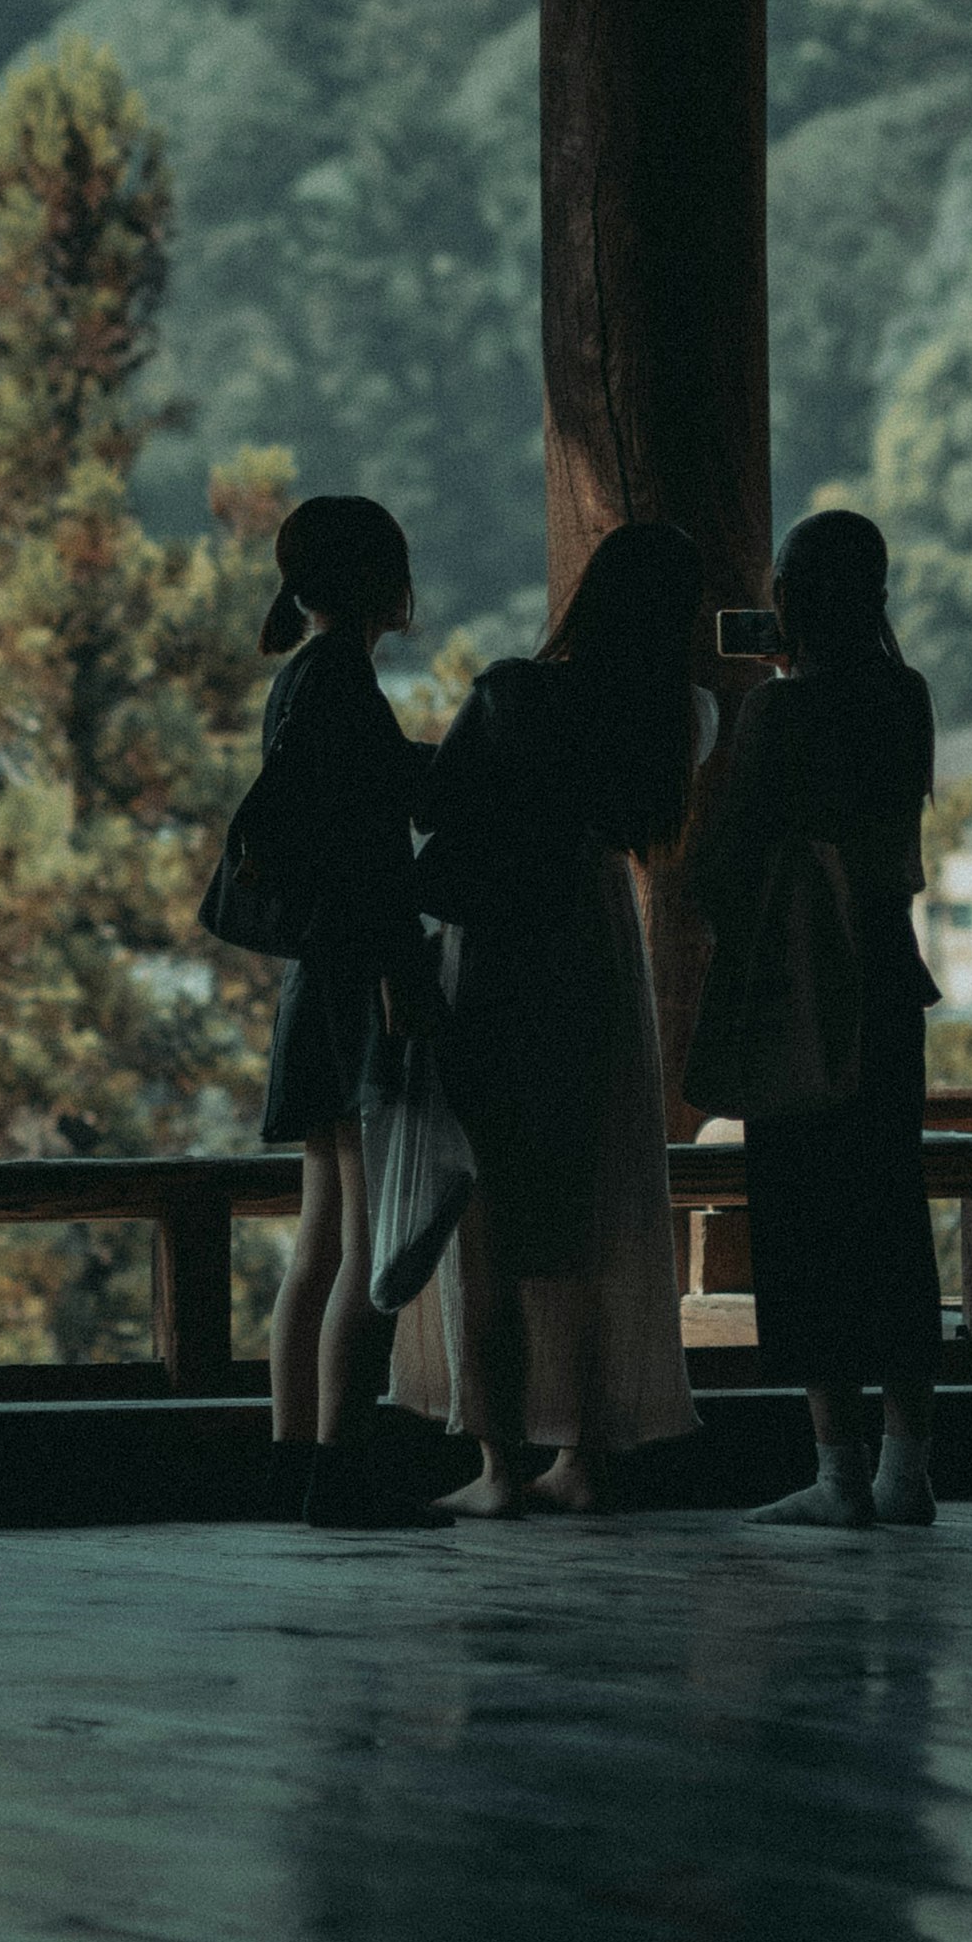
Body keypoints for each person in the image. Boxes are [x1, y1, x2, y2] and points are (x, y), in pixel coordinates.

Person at [391, 516, 706, 1516]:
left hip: (503, 955)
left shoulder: (512, 693)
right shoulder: (681, 713)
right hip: (596, 953)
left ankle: (496, 1462)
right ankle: (591, 1449)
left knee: (490, 1211)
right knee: (585, 1209)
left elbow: (437, 810)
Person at [691, 506, 944, 1528]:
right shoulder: (907, 697)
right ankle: (909, 1466)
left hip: (801, 988)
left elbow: (726, 864)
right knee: (890, 1213)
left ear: (791, 598)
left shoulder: (779, 715)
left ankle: (838, 1469)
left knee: (802, 1218)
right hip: (889, 977)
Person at [236, 495, 442, 1529]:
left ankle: (294, 1457)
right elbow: (372, 853)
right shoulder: (346, 684)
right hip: (361, 973)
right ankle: (345, 1465)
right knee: (368, 1233)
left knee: (319, 1234)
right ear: (381, 581)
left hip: (313, 978)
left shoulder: (300, 680)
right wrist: (408, 976)